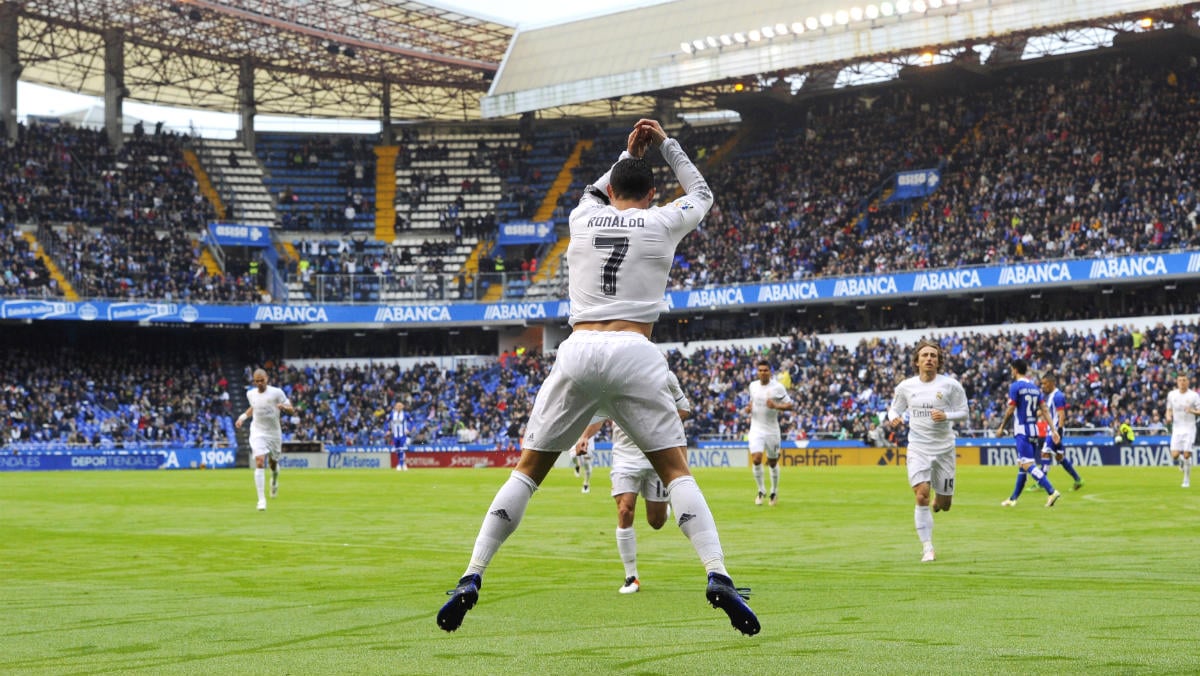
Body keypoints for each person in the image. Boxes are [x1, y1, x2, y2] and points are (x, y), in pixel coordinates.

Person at [436, 119, 759, 636]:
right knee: (676, 474)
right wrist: (667, 145)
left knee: (526, 472)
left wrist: (626, 152)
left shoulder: (582, 219)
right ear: (652, 193)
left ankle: (471, 575)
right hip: (635, 349)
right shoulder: (662, 221)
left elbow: (596, 189)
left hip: (579, 349)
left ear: (611, 190)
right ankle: (717, 574)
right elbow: (702, 192)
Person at [577, 371, 691, 593]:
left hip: (656, 453)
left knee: (656, 521)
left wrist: (659, 421)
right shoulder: (613, 378)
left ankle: (664, 508)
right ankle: (631, 577)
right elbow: (601, 415)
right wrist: (584, 437)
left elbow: (684, 409)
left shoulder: (665, 376)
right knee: (624, 510)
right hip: (624, 458)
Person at [885, 340, 969, 563]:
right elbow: (895, 407)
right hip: (918, 448)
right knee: (921, 494)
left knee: (945, 505)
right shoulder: (906, 386)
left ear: (939, 361)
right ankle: (927, 547)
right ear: (917, 361)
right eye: (925, 355)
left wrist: (947, 416)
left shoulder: (951, 385)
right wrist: (893, 416)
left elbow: (964, 412)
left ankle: (938, 501)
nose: (929, 358)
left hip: (944, 451)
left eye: (933, 355)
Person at [995, 359, 1061, 508]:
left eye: (1012, 369)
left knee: (1027, 464)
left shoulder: (1015, 386)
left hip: (1022, 431)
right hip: (1034, 431)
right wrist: (1054, 429)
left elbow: (1011, 409)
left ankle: (1051, 491)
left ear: (1015, 370)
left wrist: (1001, 426)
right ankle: (1013, 499)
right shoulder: (1034, 388)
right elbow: (1044, 410)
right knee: (1022, 465)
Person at [235, 368, 295, 511]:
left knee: (273, 464)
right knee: (260, 461)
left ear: (267, 379)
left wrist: (284, 407)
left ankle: (274, 481)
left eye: (262, 380)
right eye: (257, 381)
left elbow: (291, 409)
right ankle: (261, 500)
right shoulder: (250, 393)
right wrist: (242, 417)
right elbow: (253, 407)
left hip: (274, 433)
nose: (260, 383)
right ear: (254, 381)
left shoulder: (277, 392)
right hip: (258, 431)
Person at [745, 360, 794, 506]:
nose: (762, 373)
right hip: (756, 429)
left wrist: (776, 406)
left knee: (772, 462)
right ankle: (761, 490)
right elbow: (751, 402)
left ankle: (773, 491)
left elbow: (790, 405)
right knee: (756, 459)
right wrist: (748, 409)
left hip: (772, 431)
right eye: (760, 370)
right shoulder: (753, 386)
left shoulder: (777, 388)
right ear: (757, 372)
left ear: (770, 372)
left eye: (765, 370)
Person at [1039, 373, 1083, 491]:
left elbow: (1061, 414)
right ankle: (1078, 479)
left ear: (1052, 383)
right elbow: (1046, 411)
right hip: (1053, 430)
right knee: (1059, 457)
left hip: (1055, 430)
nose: (1043, 386)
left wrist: (1057, 431)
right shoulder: (1050, 396)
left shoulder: (1058, 396)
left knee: (1044, 453)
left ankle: (1041, 482)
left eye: (1045, 383)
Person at [1164, 373, 1200, 488]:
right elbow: (1168, 409)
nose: (1182, 382)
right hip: (1177, 427)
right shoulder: (1172, 395)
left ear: (1188, 382)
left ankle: (1186, 481)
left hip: (1189, 427)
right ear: (1177, 382)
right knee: (1174, 454)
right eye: (1180, 380)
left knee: (1187, 454)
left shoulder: (1194, 395)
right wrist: (1168, 417)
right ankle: (1181, 462)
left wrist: (1192, 411)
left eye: (1184, 380)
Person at [390, 401, 409, 471]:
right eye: (397, 406)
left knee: (401, 449)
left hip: (402, 435)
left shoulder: (405, 414)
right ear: (395, 407)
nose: (398, 407)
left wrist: (408, 429)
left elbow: (412, 422)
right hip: (395, 435)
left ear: (402, 407)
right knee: (397, 450)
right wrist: (388, 430)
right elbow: (387, 421)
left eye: (400, 406)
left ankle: (399, 464)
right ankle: (403, 464)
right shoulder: (392, 414)